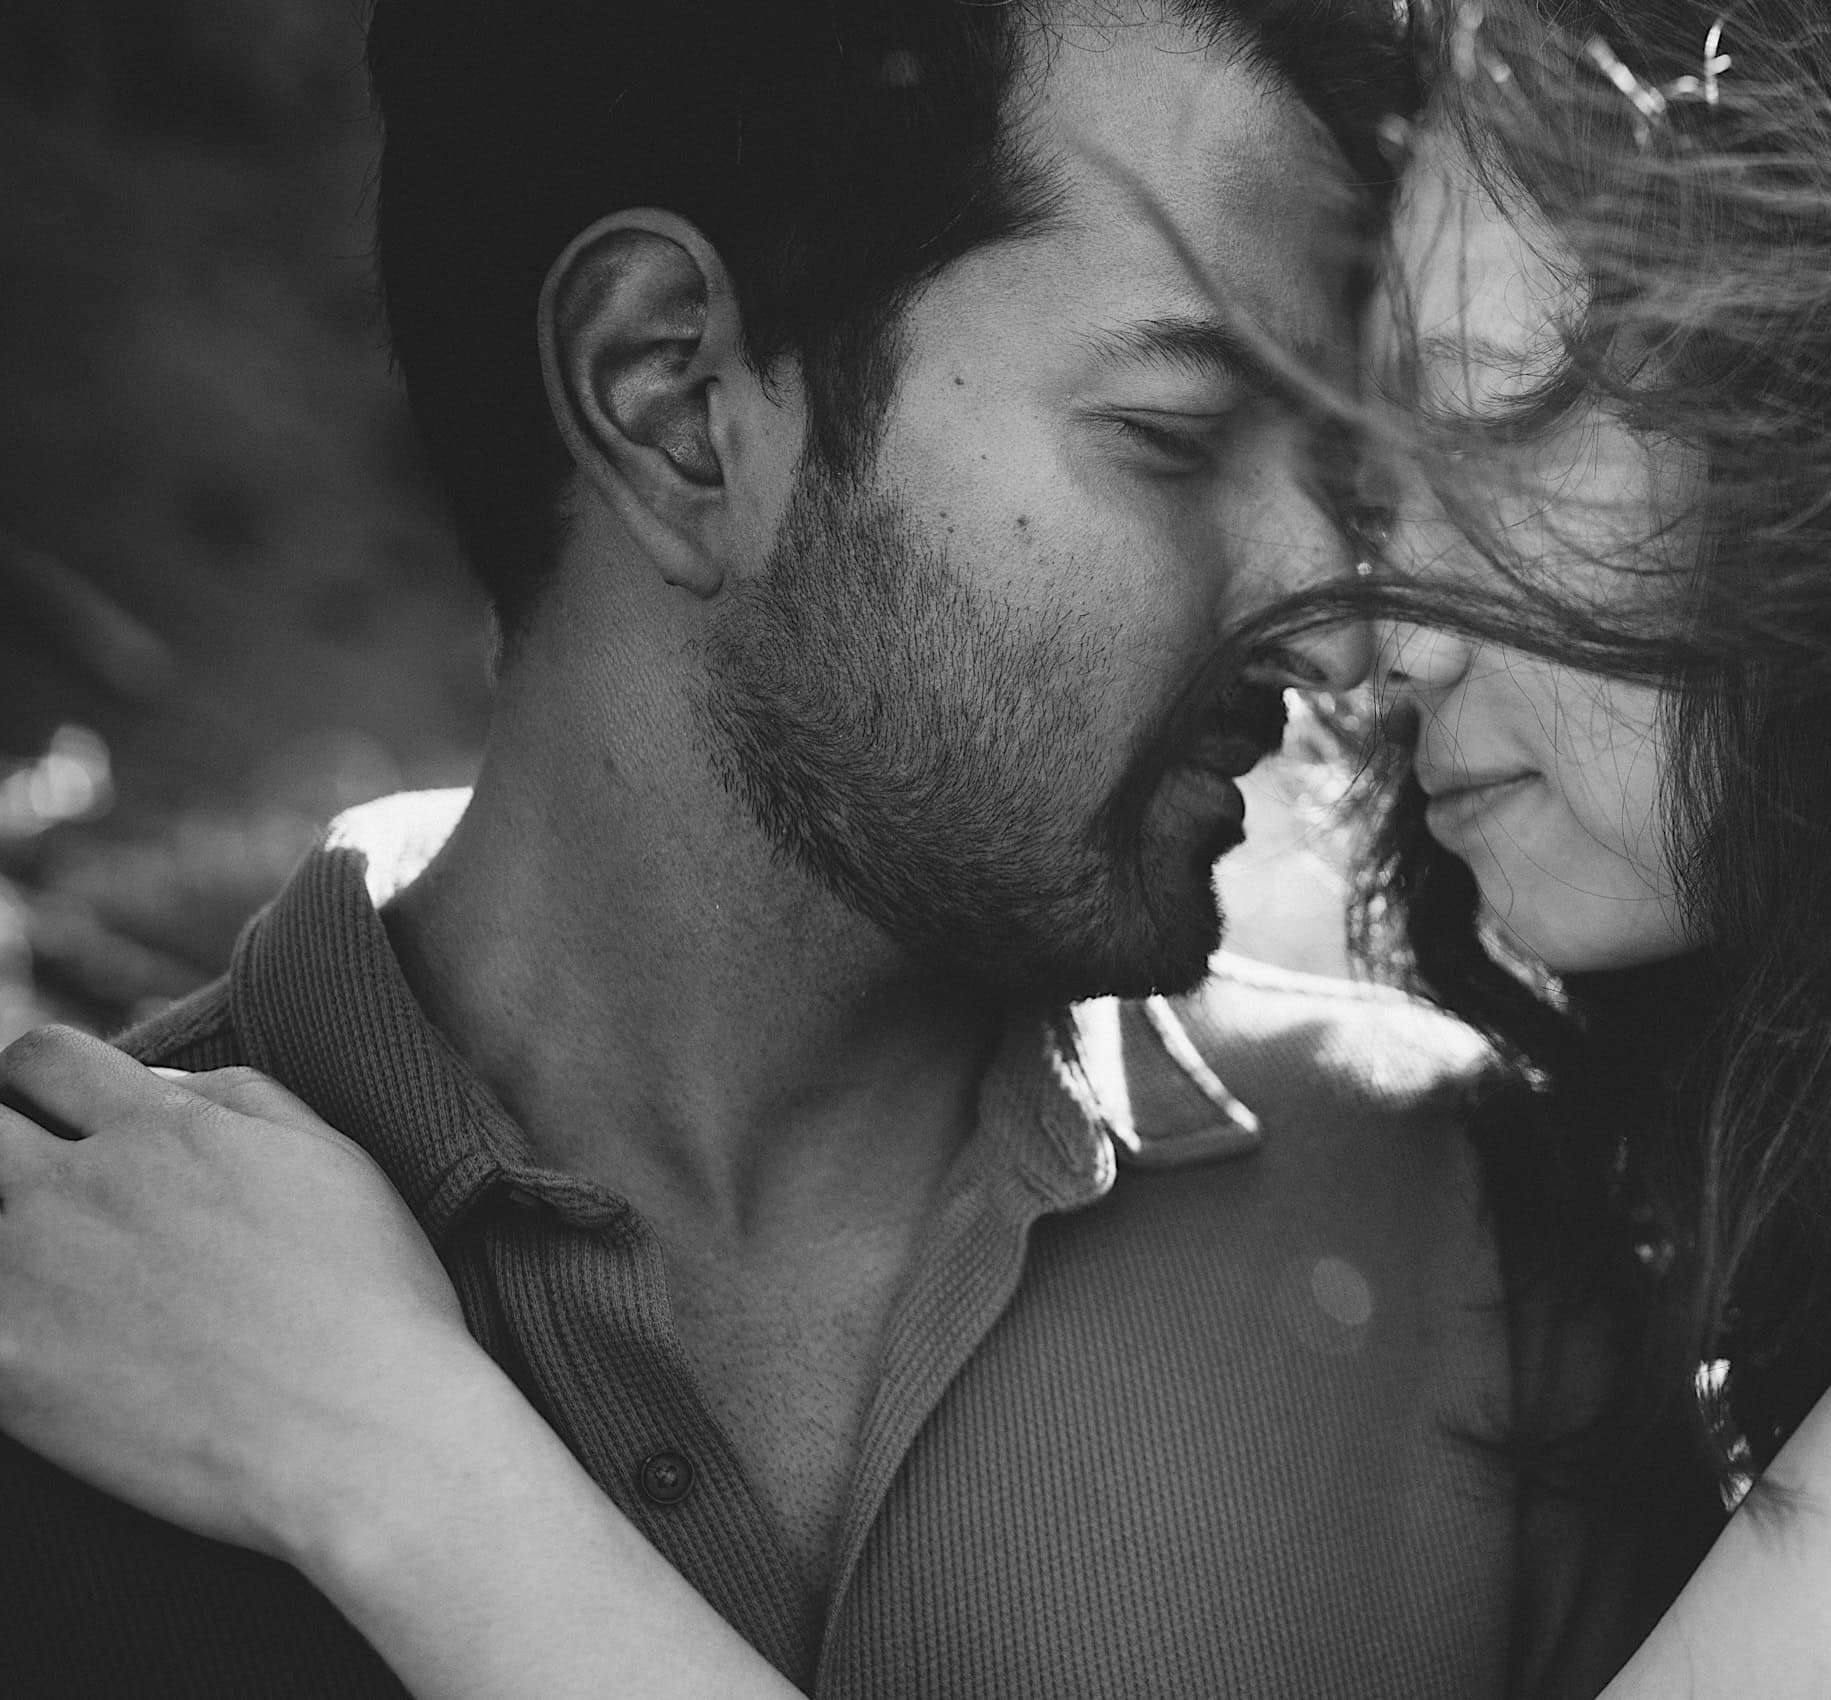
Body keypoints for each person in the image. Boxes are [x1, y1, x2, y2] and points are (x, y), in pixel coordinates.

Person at [7, 0, 1831, 1696]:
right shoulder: (78, 1315)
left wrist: (403, 1479)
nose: (1353, 598)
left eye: (1448, 428)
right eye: (1178, 426)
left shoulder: (1524, 1269)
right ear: (678, 399)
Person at [0, 2, 1649, 1698]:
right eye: (1176, 435)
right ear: (674, 401)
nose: (1341, 638)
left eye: (1342, 478)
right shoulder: (44, 1314)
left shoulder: (1490, 1226)